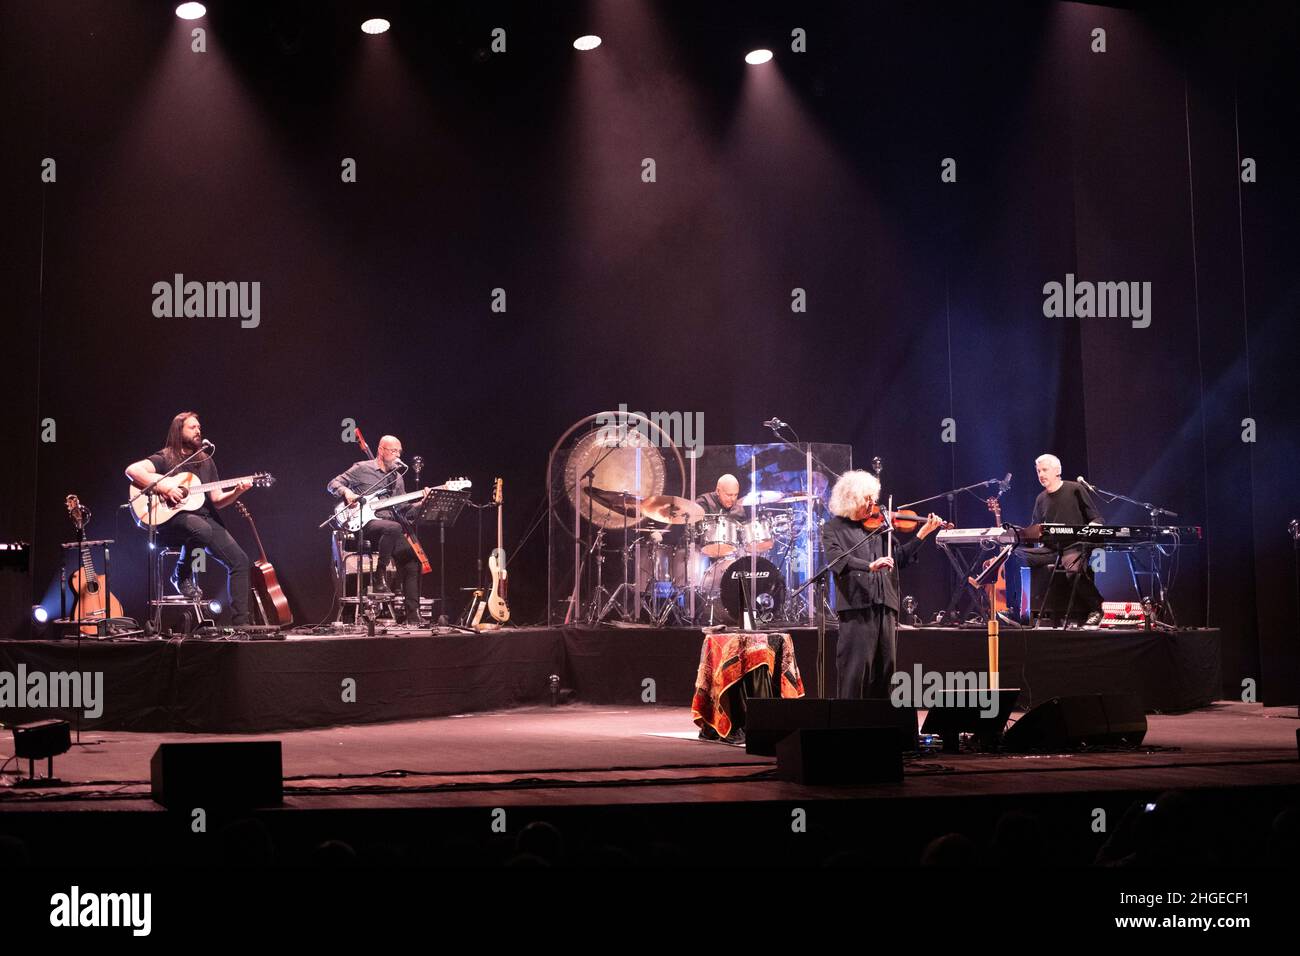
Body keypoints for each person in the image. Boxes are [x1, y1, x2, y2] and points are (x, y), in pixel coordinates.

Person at [821, 470, 943, 699]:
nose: (872, 503)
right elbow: (837, 560)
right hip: (857, 606)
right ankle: (848, 724)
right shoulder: (833, 528)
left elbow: (900, 559)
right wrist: (869, 565)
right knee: (855, 671)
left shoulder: (880, 528)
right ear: (851, 498)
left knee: (885, 672)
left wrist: (922, 534)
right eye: (867, 498)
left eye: (873, 498)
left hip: (885, 604)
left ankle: (882, 726)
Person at [125, 411, 253, 626]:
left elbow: (217, 500)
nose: (198, 431)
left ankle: (242, 623)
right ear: (179, 431)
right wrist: (165, 486)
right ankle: (181, 574)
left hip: (204, 519)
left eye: (199, 427)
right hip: (172, 521)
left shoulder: (206, 461)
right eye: (192, 427)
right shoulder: (166, 457)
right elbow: (132, 470)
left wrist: (237, 492)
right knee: (201, 530)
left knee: (240, 561)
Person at [327, 435, 423, 624]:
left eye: (399, 451)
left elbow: (405, 510)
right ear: (381, 450)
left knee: (413, 562)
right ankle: (379, 577)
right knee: (393, 528)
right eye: (393, 451)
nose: (397, 455)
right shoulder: (362, 468)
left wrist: (421, 503)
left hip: (389, 527)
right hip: (364, 523)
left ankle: (413, 616)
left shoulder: (398, 478)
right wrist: (347, 492)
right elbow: (332, 484)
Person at [1025, 453, 1104, 625]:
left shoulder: (1074, 489)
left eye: (1045, 470)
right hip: (1051, 549)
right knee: (1015, 556)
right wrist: (1017, 534)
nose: (1041, 474)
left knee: (1073, 571)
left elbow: (1097, 519)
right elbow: (1034, 529)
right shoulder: (1040, 498)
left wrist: (1090, 529)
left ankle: (1096, 608)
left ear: (1057, 471)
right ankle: (1018, 608)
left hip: (1074, 545)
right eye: (1038, 471)